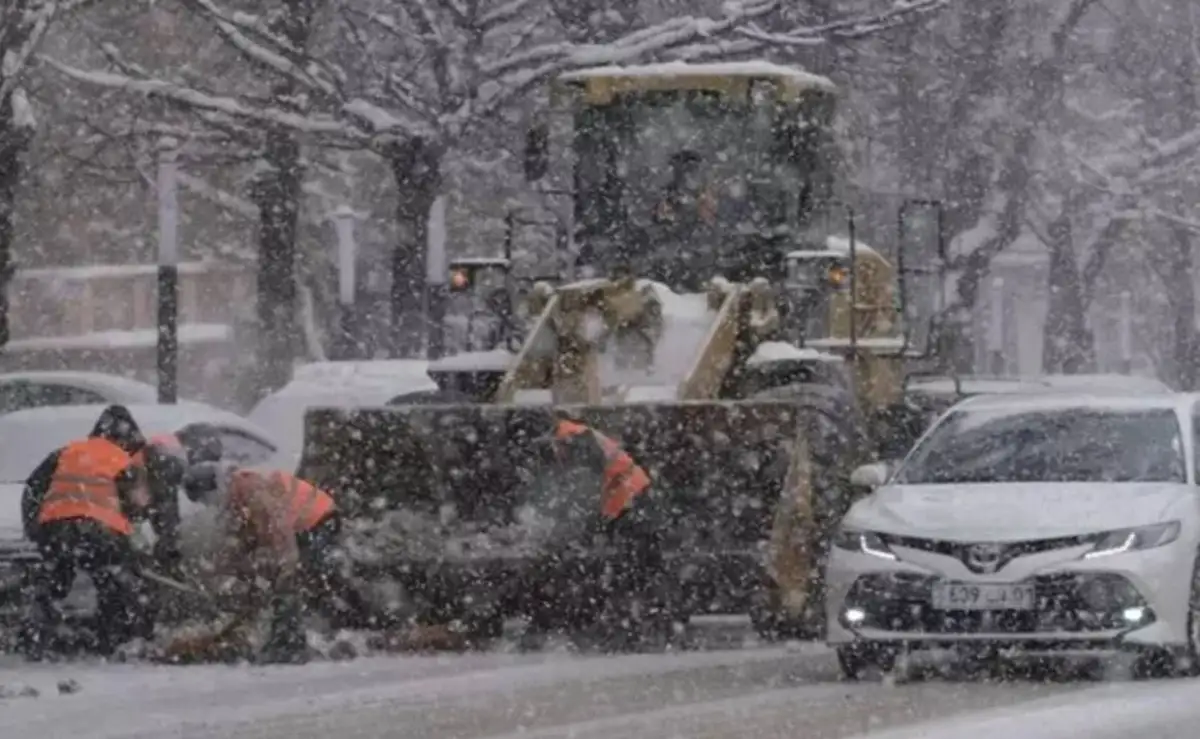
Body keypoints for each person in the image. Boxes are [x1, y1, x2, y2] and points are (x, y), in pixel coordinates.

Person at [19, 405, 161, 658]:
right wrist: (136, 544)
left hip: (56, 528)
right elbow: (139, 507)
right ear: (126, 438)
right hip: (101, 531)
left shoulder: (67, 451)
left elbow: (33, 488)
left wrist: (35, 529)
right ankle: (109, 639)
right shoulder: (123, 461)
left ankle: (38, 635)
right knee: (111, 580)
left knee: (55, 578)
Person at [182, 463, 350, 663]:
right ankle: (300, 634)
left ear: (216, 486)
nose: (208, 504)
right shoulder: (236, 498)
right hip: (298, 527)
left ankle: (293, 644)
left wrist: (282, 571)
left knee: (296, 582)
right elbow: (240, 541)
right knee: (288, 582)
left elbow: (279, 532)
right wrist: (223, 571)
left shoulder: (252, 490)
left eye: (206, 498)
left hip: (317, 518)